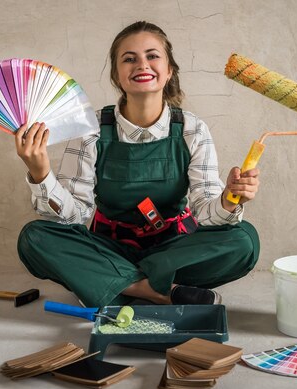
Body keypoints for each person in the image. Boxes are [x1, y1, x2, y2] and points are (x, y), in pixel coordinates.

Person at [15, 21, 260, 307]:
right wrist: (40, 173)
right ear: (117, 75)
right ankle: (157, 291)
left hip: (174, 250)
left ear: (169, 71)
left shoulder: (193, 129)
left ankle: (112, 284)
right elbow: (75, 216)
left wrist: (230, 199)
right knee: (34, 237)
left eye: (152, 56)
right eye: (129, 59)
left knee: (245, 241)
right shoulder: (90, 129)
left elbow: (205, 212)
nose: (142, 64)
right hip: (109, 248)